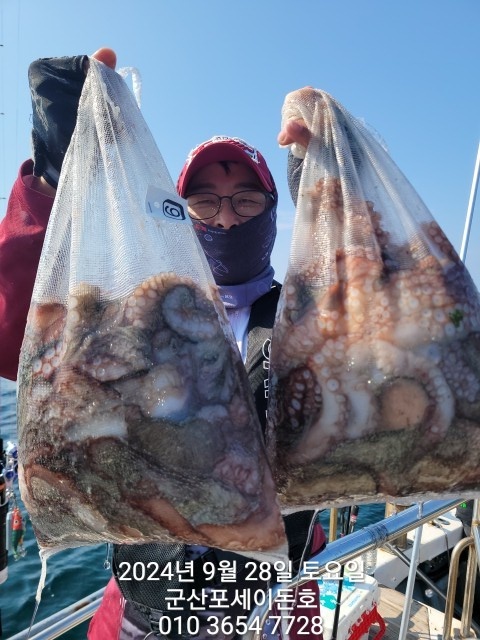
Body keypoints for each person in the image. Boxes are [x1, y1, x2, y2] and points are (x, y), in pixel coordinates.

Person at [0, 48, 325, 639]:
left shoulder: (304, 318)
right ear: (178, 213)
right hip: (146, 602)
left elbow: (384, 343)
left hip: (271, 602)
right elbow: (15, 335)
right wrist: (55, 181)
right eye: (204, 201)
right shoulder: (136, 313)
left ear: (275, 215)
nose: (225, 219)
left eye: (246, 200)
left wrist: (331, 201)